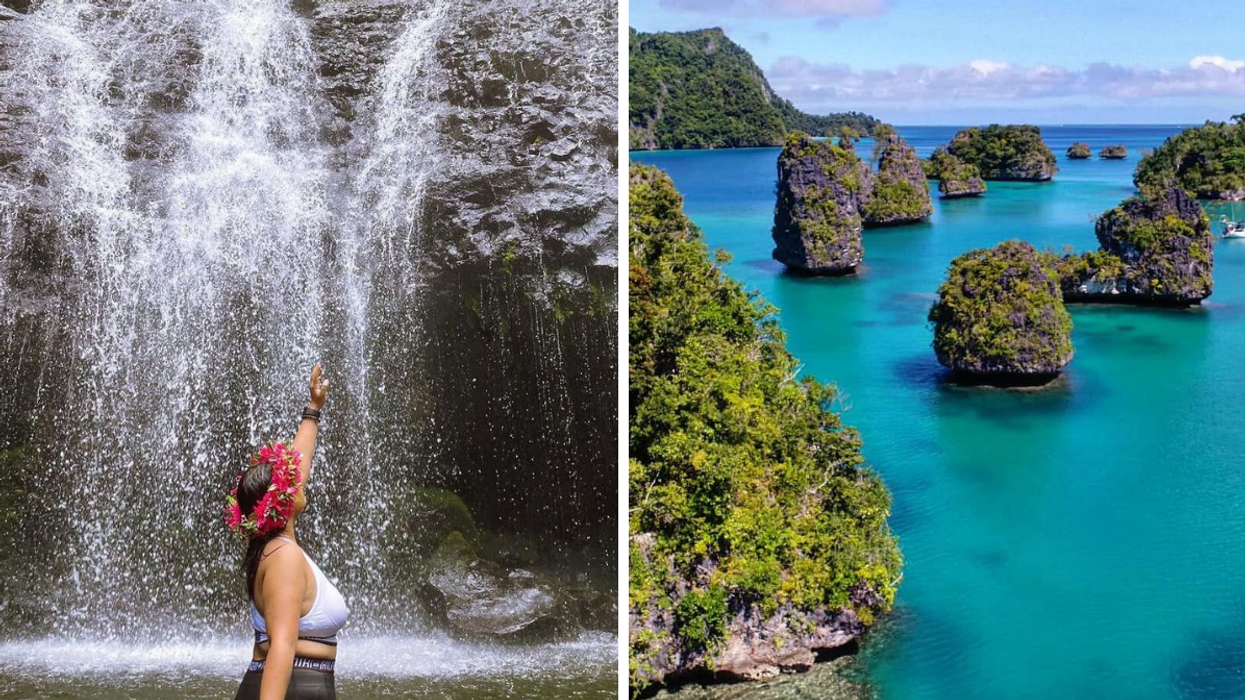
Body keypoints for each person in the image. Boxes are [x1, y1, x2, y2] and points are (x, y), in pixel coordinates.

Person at [227, 363, 348, 700]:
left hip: (302, 685)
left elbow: (298, 466)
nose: (297, 481)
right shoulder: (283, 557)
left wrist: (313, 410)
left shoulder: (273, 544)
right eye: (288, 483)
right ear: (281, 503)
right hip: (292, 687)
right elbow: (281, 646)